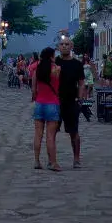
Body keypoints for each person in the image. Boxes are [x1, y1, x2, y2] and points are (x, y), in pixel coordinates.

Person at [56, 38, 86, 168]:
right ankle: (52, 158)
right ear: (58, 47)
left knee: (74, 132)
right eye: (62, 44)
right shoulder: (55, 63)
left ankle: (76, 158)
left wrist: (80, 98)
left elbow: (81, 83)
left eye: (67, 44)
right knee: (52, 132)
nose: (64, 46)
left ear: (71, 46)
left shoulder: (77, 64)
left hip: (71, 101)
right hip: (56, 101)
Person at [32, 46, 62, 171]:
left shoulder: (37, 71)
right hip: (52, 104)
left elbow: (33, 90)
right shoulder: (57, 69)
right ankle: (53, 162)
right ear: (51, 57)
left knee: (38, 134)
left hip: (39, 104)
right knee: (50, 136)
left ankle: (37, 161)